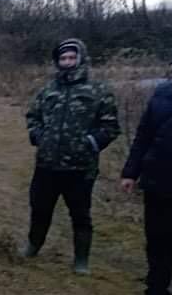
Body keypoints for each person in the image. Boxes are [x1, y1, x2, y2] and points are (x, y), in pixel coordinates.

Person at [22, 38, 120, 274]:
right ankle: (33, 245)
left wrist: (90, 143)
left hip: (80, 168)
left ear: (81, 58)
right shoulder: (48, 90)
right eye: (63, 58)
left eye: (71, 57)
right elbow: (32, 116)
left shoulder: (99, 90)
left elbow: (110, 127)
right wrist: (38, 136)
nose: (67, 62)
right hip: (47, 165)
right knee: (40, 208)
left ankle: (81, 260)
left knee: (80, 215)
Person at [120, 39, 172, 295]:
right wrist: (130, 173)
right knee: (158, 249)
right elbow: (143, 137)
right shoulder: (160, 96)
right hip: (157, 189)